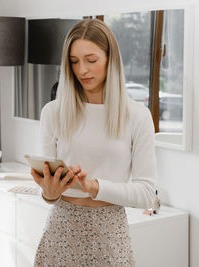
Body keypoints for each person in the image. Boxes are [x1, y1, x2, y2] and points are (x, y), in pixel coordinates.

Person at [31, 19, 156, 267]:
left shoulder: (137, 116)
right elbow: (45, 191)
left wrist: (93, 186)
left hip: (110, 235)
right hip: (60, 232)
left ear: (111, 59)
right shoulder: (52, 112)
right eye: (74, 62)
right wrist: (49, 191)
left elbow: (146, 194)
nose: (82, 71)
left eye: (91, 60)